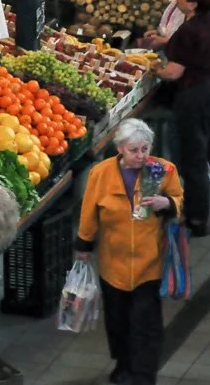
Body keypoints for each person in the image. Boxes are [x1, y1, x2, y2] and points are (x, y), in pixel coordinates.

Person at [75, 118, 184, 385]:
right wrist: (84, 244)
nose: (141, 156)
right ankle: (123, 365)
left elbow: (179, 200)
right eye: (134, 150)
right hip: (114, 265)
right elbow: (89, 210)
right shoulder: (101, 174)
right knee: (118, 322)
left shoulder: (161, 170)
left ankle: (143, 375)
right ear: (120, 148)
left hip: (150, 263)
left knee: (145, 324)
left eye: (145, 149)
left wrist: (166, 202)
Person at [157, 0, 210, 236]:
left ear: (191, 3)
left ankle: (197, 219)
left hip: (197, 95)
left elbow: (173, 73)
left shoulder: (188, 32)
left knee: (194, 157)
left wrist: (153, 68)